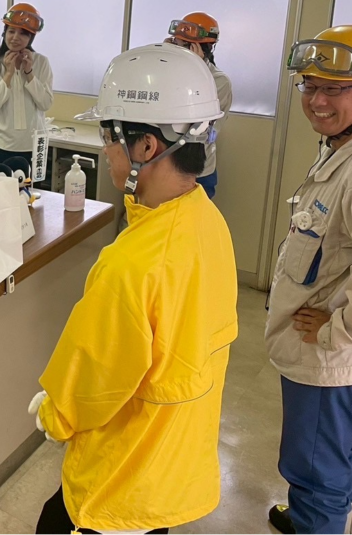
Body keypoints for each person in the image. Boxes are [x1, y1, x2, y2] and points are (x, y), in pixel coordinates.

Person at [29, 43, 238, 535]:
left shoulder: (131, 264)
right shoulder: (208, 221)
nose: (105, 150)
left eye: (109, 136)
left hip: (120, 481)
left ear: (146, 147)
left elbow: (93, 378)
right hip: (169, 470)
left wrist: (55, 415)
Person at [265, 26, 352, 535]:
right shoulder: (347, 145)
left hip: (331, 357)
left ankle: (317, 522)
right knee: (333, 450)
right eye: (309, 86)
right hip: (331, 350)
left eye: (334, 88)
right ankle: (320, 518)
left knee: (315, 465)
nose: (316, 100)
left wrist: (338, 331)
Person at [163, 11, 233, 199]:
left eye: (184, 46)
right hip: (162, 164)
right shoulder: (166, 72)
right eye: (176, 43)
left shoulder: (219, 81)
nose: (178, 50)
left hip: (197, 171)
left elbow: (201, 130)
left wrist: (194, 69)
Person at [0, 3, 54, 171]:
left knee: (30, 189)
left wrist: (29, 73)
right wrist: (8, 74)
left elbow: (45, 104)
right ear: (4, 33)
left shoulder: (41, 62)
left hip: (32, 145)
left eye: (23, 33)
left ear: (31, 38)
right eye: (11, 31)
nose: (15, 37)